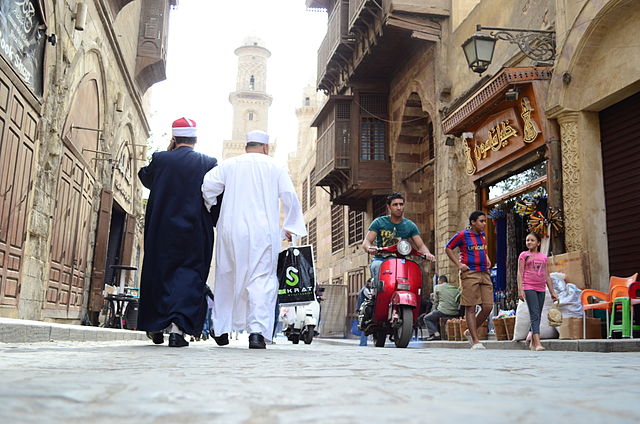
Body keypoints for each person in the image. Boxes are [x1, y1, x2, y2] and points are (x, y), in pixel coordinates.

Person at [201, 130, 306, 349]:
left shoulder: (230, 165)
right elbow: (289, 196)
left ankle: (221, 330)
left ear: (246, 146)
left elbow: (208, 186)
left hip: (230, 229)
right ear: (266, 147)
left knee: (227, 276)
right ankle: (256, 333)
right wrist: (290, 227)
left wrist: (212, 208)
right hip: (263, 233)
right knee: (261, 280)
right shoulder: (275, 167)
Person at [137, 117, 220, 348]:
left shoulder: (161, 159)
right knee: (189, 275)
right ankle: (177, 330)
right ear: (196, 139)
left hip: (162, 229)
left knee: (159, 273)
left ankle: (155, 325)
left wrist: (167, 153)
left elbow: (145, 177)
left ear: (174, 138)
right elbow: (216, 195)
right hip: (195, 230)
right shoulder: (208, 162)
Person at [444, 210, 492, 350]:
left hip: (484, 272)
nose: (484, 224)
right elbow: (448, 248)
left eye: (484, 221)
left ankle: (469, 331)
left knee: (488, 306)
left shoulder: (482, 235)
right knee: (470, 306)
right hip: (469, 273)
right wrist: (459, 265)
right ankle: (475, 340)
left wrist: (487, 258)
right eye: (481, 221)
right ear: (473, 222)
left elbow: (482, 250)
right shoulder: (462, 235)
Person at [361, 192, 435, 282]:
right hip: (381, 259)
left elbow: (421, 245)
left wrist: (427, 254)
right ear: (389, 207)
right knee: (377, 268)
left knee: (415, 274)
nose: (399, 207)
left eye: (401, 204)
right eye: (395, 205)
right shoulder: (379, 222)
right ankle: (377, 294)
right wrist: (370, 248)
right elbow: (366, 242)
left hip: (401, 260)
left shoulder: (410, 225)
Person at [517, 232, 558, 351]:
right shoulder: (524, 255)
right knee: (534, 313)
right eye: (527, 240)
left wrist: (552, 292)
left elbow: (547, 275)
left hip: (541, 287)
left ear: (538, 243)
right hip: (529, 287)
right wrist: (520, 289)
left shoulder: (543, 257)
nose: (529, 242)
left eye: (532, 240)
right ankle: (538, 343)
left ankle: (532, 342)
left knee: (538, 315)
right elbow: (520, 273)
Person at [423, 275, 460, 341]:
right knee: (434, 315)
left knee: (427, 318)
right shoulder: (455, 288)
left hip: (443, 311)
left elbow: (436, 301)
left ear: (439, 281)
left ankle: (435, 334)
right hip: (455, 312)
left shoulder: (437, 287)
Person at [356, 279, 373, 346]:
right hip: (363, 310)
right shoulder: (365, 290)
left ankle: (363, 342)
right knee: (365, 325)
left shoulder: (364, 289)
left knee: (364, 325)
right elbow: (370, 297)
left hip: (362, 310)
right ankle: (363, 342)